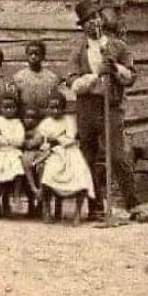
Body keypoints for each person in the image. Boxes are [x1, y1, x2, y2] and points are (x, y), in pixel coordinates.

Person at [65, 0, 148, 223]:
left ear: (101, 20)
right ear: (82, 26)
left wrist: (115, 68)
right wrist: (96, 74)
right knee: (88, 156)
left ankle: (134, 206)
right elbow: (73, 84)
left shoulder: (118, 47)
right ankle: (96, 207)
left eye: (95, 18)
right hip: (87, 107)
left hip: (111, 107)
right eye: (87, 21)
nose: (93, 23)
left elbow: (132, 77)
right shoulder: (78, 51)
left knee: (118, 155)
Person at [38, 90, 94, 223]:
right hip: (54, 153)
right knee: (48, 172)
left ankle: (78, 212)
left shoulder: (69, 120)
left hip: (71, 152)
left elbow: (71, 139)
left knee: (80, 172)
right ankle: (47, 209)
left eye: (58, 108)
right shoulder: (46, 123)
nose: (55, 111)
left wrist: (57, 140)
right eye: (52, 108)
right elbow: (45, 142)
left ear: (64, 108)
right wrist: (51, 144)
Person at [0, 91, 26, 217]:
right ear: (0, 108)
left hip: (13, 152)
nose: (9, 110)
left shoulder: (17, 122)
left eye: (12, 107)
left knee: (16, 167)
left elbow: (19, 140)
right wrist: (8, 140)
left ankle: (10, 197)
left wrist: (4, 138)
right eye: (5, 107)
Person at [12, 40, 59, 115]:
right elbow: (14, 102)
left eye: (36, 54)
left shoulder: (52, 78)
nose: (33, 57)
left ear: (43, 56)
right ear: (26, 55)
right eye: (31, 54)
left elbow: (54, 100)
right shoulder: (18, 77)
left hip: (45, 116)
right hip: (25, 116)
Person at [20, 105, 50, 217]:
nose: (30, 120)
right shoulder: (19, 127)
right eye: (27, 117)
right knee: (24, 164)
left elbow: (34, 143)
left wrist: (24, 142)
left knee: (40, 168)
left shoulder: (40, 129)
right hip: (25, 157)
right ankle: (31, 204)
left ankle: (40, 201)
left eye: (33, 118)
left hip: (38, 155)